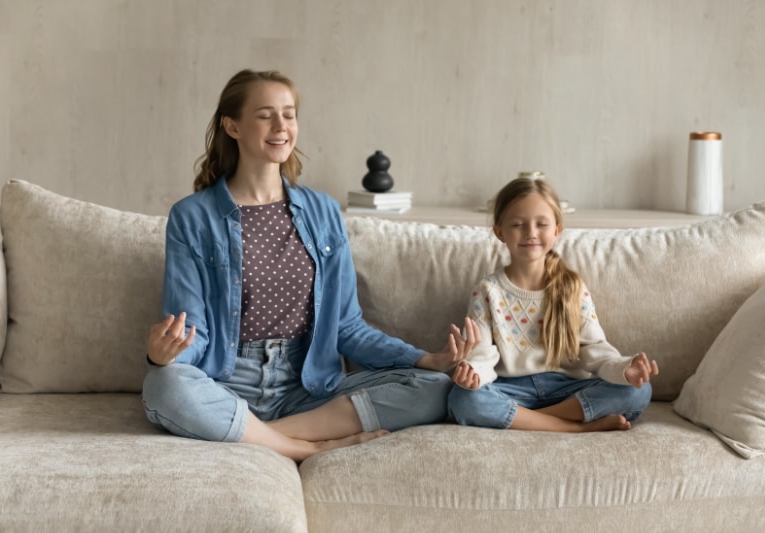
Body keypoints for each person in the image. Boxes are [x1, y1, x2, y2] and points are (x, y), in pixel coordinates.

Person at [141, 69, 476, 461]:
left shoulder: (322, 212)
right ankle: (301, 448)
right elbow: (192, 331)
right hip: (229, 384)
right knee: (164, 385)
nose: (281, 126)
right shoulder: (192, 217)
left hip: (310, 388)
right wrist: (165, 356)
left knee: (437, 385)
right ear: (233, 126)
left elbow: (347, 329)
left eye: (289, 114)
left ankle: (255, 435)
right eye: (266, 115)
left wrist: (426, 359)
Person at [448, 177, 658, 432]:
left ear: (556, 230)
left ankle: (526, 420)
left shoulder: (573, 287)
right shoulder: (487, 291)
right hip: (512, 389)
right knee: (463, 399)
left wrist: (624, 369)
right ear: (500, 231)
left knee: (639, 390)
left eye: (542, 224)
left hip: (566, 389)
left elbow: (594, 350)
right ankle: (575, 427)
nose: (531, 233)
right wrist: (472, 374)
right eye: (517, 224)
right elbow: (481, 355)